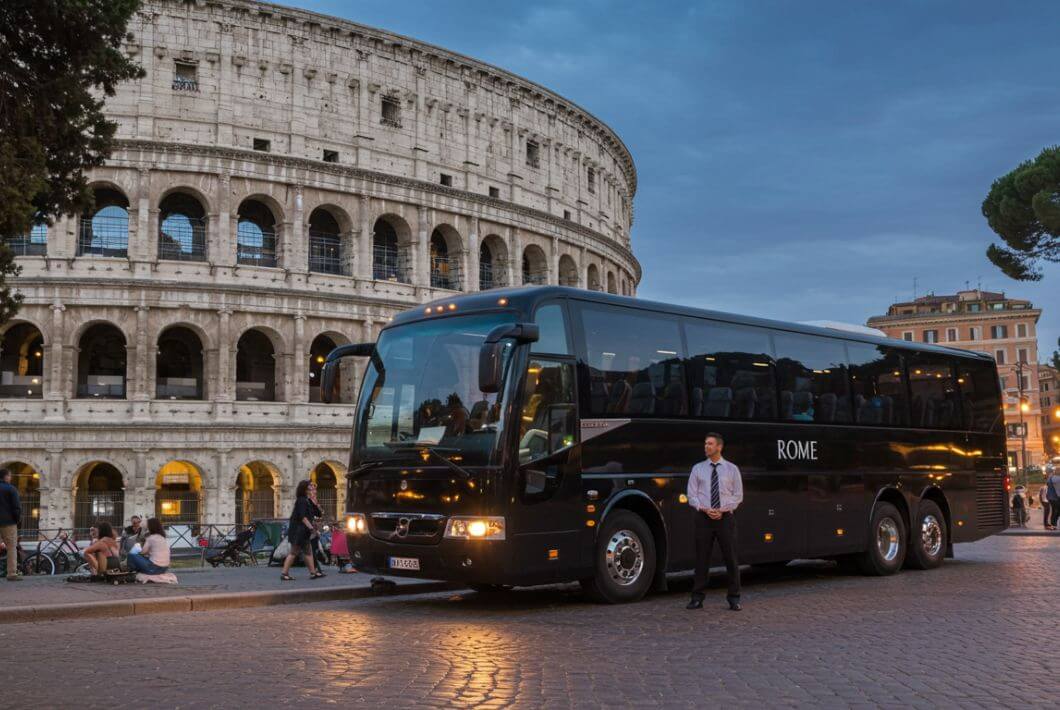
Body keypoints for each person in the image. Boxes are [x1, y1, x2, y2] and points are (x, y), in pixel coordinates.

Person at [686, 432, 743, 611]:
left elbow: (738, 495)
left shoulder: (732, 469)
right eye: (705, 444)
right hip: (703, 518)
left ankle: (734, 598)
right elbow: (691, 495)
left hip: (725, 518)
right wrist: (704, 508)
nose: (706, 447)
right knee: (702, 559)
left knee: (731, 558)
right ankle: (697, 598)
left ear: (719, 447)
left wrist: (723, 510)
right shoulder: (697, 469)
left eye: (710, 444)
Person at [281, 479, 325, 581]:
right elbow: (303, 517)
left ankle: (313, 573)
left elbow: (319, 514)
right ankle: (284, 573)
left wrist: (315, 501)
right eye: (310, 486)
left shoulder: (307, 501)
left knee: (308, 552)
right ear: (305, 489)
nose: (312, 488)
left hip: (303, 531)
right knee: (294, 552)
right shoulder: (301, 500)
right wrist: (312, 529)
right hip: (298, 530)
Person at [0, 468, 22, 581]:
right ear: (6, 476)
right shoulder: (11, 489)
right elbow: (16, 507)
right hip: (8, 522)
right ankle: (12, 573)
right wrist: (17, 520)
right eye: (10, 476)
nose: (10, 477)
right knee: (11, 547)